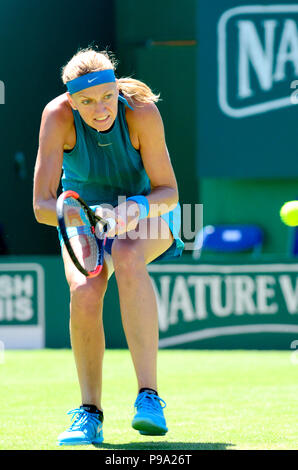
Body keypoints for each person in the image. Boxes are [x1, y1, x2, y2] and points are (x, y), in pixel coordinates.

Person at [33, 47, 184, 446]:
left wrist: (135, 207)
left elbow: (169, 192)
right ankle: (90, 413)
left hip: (147, 208)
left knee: (128, 255)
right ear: (71, 101)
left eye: (105, 97)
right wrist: (86, 215)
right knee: (85, 291)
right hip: (82, 212)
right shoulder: (56, 117)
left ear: (115, 87)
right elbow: (42, 207)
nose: (99, 109)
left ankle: (149, 398)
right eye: (86, 101)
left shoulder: (141, 111)